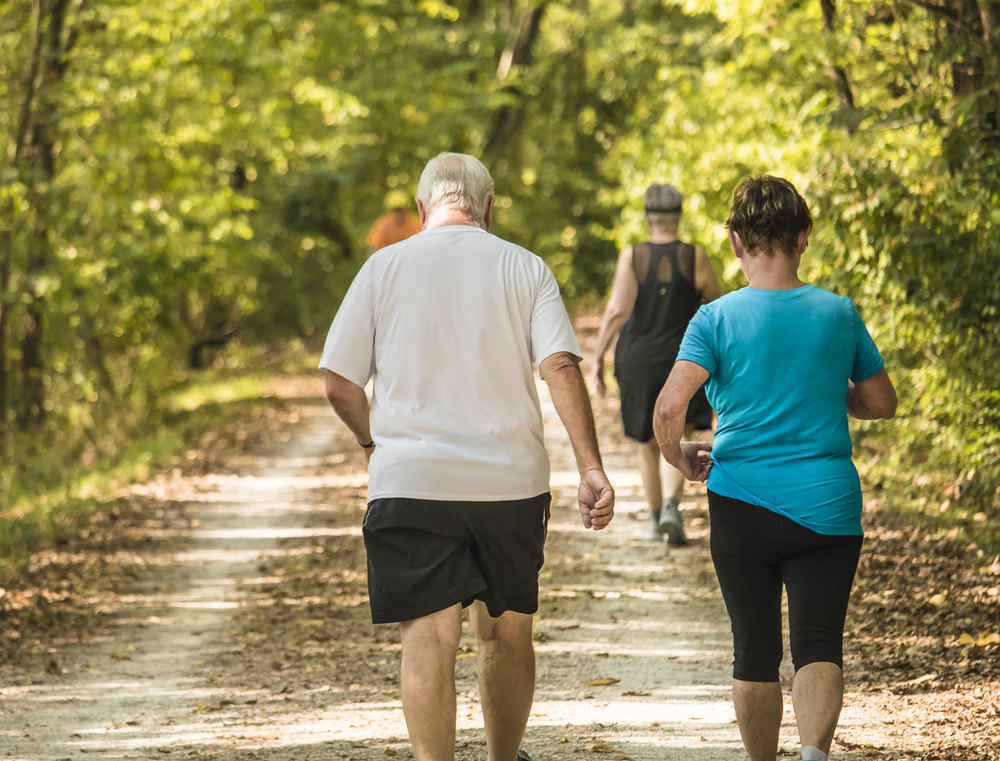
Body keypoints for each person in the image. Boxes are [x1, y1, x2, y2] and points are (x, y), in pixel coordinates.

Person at [319, 153, 615, 761]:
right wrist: (590, 466)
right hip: (508, 483)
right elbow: (558, 365)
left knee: (427, 643)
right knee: (506, 636)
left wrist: (374, 443)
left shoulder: (383, 267)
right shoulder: (526, 267)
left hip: (411, 482)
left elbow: (338, 384)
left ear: (423, 209)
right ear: (490, 207)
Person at [653, 175, 897, 761]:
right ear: (804, 237)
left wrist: (677, 456)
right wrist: (831, 393)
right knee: (819, 643)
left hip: (741, 499)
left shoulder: (713, 319)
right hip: (828, 503)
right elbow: (881, 403)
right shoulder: (839, 313)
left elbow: (668, 407)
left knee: (753, 649)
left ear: (735, 240)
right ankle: (814, 757)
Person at [589, 183, 721, 543]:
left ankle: (652, 520)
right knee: (682, 434)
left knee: (647, 442)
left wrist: (598, 356)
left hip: (639, 359)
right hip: (686, 359)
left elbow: (617, 310)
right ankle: (671, 510)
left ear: (648, 218)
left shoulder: (632, 256)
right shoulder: (696, 257)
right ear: (679, 217)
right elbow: (717, 306)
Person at [367, 189, 422, 254]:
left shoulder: (415, 224)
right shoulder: (382, 225)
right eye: (395, 211)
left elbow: (422, 244)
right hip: (387, 260)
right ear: (389, 211)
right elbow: (374, 248)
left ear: (407, 209)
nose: (398, 214)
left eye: (401, 210)